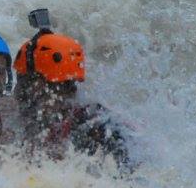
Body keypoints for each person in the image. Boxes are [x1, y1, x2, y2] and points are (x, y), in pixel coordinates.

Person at [11, 19, 132, 171]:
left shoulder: (97, 126)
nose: (17, 89)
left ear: (38, 84)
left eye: (22, 80)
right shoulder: (21, 116)